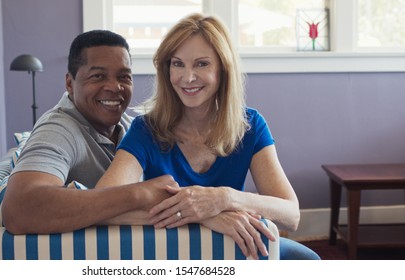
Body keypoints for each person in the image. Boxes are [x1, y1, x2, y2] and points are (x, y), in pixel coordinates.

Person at [95, 14, 320, 260]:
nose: (187, 77)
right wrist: (202, 215)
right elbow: (101, 206)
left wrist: (224, 198)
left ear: (223, 70)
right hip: (171, 250)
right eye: (177, 64)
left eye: (201, 64)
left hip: (231, 248)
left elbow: (290, 214)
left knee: (307, 260)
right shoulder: (145, 129)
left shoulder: (251, 125)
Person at [2, 30, 178, 234]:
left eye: (124, 77)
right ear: (70, 83)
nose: (115, 87)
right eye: (98, 76)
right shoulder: (59, 129)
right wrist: (139, 194)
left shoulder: (133, 127)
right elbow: (20, 209)